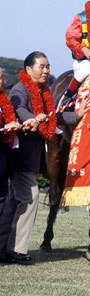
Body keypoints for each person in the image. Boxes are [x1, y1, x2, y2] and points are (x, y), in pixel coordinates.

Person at [0, 51, 89, 265]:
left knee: (13, 202)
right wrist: (32, 118)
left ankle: (4, 248)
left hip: (32, 157)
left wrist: (76, 115)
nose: (46, 71)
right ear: (28, 69)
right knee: (30, 197)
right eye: (42, 66)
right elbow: (18, 108)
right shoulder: (20, 90)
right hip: (19, 156)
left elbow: (53, 116)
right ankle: (17, 250)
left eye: (48, 66)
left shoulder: (43, 91)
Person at [0, 68, 21, 216]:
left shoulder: (3, 100)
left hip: (3, 163)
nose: (3, 81)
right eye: (1, 77)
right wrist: (4, 127)